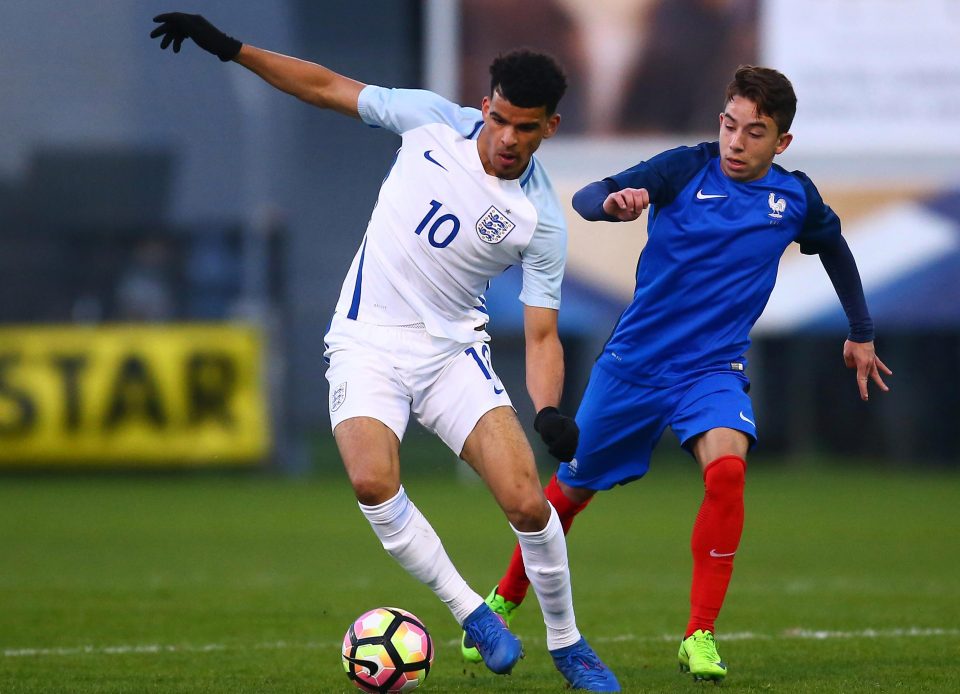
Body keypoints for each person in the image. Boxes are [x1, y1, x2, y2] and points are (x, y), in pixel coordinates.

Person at [149, 12, 620, 692]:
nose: (509, 138)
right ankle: (472, 614)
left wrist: (549, 409)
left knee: (526, 503)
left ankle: (568, 642)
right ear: (485, 105)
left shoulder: (540, 218)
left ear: (550, 126)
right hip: (365, 342)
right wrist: (229, 47)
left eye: (528, 127)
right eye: (501, 119)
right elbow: (323, 86)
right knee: (372, 480)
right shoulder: (429, 119)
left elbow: (542, 333)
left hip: (453, 354)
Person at [462, 65, 893, 682]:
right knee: (568, 493)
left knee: (727, 473)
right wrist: (616, 202)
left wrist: (861, 330)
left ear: (782, 143)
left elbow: (835, 245)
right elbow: (588, 199)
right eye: (729, 125)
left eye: (754, 132)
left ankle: (699, 635)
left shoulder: (794, 198)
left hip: (714, 369)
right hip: (634, 365)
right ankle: (504, 598)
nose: (736, 142)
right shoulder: (685, 168)